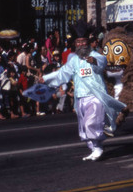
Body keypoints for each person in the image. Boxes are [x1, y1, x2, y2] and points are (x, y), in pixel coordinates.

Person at [40, 21, 125, 161]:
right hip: (80, 97)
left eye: (83, 41)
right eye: (78, 42)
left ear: (88, 42)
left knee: (91, 123)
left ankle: (98, 148)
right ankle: (93, 149)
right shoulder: (73, 60)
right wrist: (46, 78)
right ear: (75, 43)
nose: (80, 44)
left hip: (95, 96)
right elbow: (63, 73)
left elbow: (102, 63)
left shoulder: (96, 56)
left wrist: (94, 61)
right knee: (83, 128)